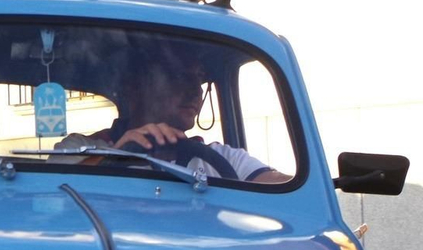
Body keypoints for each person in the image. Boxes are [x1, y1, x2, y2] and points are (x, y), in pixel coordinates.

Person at [59, 44, 290, 184]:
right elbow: (56, 192)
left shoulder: (221, 158)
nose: (195, 91)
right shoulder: (80, 148)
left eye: (198, 79)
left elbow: (280, 186)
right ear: (136, 89)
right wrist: (116, 157)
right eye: (178, 77)